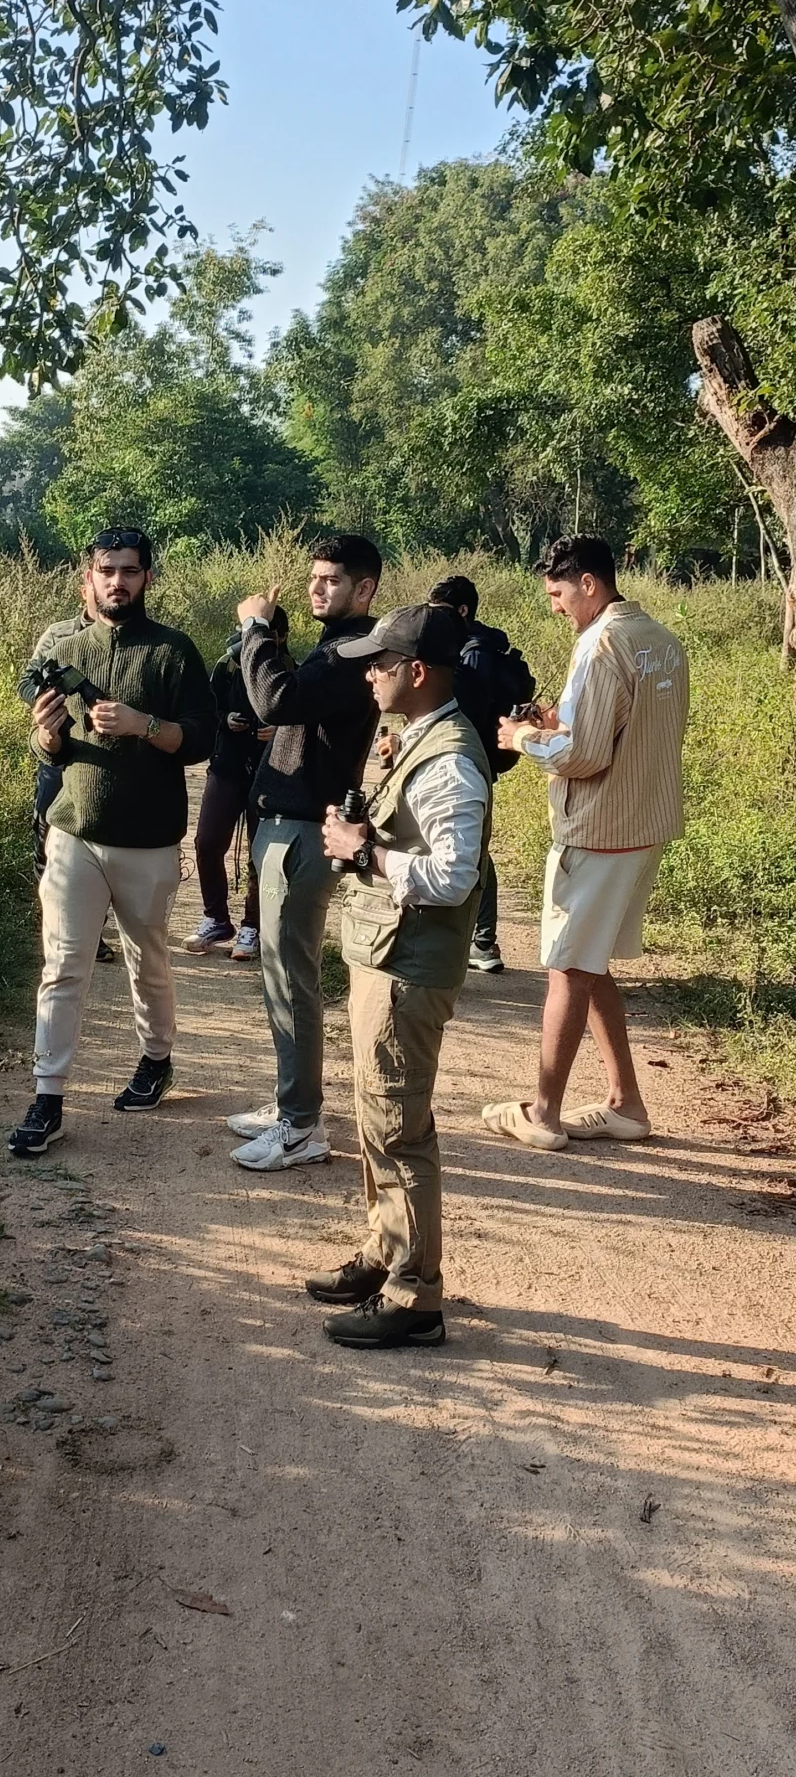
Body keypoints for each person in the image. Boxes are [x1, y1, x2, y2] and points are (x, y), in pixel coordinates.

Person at [304, 604, 491, 1349]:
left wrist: (364, 852)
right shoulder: (418, 737)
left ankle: (415, 1297)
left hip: (410, 965)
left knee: (399, 1127)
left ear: (416, 672)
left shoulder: (448, 760)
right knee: (377, 1115)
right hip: (388, 955)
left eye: (380, 663)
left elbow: (453, 875)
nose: (369, 675)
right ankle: (386, 1253)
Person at [8, 527, 215, 1156]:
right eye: (107, 571)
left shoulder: (173, 651)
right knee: (63, 965)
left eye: (129, 570)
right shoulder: (64, 649)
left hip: (148, 840)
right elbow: (47, 747)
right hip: (74, 832)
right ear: (88, 578)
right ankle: (48, 1098)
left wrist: (142, 724)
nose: (117, 582)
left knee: (146, 960)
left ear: (147, 577)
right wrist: (47, 735)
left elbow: (201, 740)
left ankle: (156, 1059)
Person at [482, 533, 689, 1153]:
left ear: (589, 584)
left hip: (599, 831)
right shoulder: (660, 638)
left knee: (568, 967)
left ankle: (543, 1113)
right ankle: (626, 1102)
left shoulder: (599, 646)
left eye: (557, 593)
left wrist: (522, 737)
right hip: (644, 825)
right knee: (591, 964)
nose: (555, 606)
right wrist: (558, 725)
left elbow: (585, 755)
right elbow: (620, 732)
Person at [226, 531, 382, 1171]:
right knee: (281, 976)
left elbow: (275, 699)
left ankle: (300, 1126)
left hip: (300, 831)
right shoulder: (337, 647)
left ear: (364, 588)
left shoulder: (350, 651)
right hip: (289, 824)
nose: (317, 587)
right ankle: (294, 1103)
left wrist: (257, 630)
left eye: (332, 579)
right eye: (314, 577)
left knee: (291, 980)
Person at [428, 573, 536, 974]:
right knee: (470, 845)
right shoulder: (479, 646)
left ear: (462, 611)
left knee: (472, 848)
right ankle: (479, 940)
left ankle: (483, 942)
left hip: (468, 761)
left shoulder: (474, 653)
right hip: (472, 761)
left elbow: (468, 713)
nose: (433, 619)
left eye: (440, 611)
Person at [188, 605, 291, 962]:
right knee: (207, 841)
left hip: (271, 772)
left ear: (281, 636)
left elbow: (307, 719)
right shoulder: (228, 664)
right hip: (227, 765)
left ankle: (253, 926)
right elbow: (205, 709)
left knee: (259, 853)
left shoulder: (291, 670)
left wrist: (280, 730)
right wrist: (225, 719)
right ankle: (216, 918)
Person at [26, 612, 115, 963]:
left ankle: (92, 932)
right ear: (86, 588)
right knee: (46, 838)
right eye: (96, 584)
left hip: (98, 756)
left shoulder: (125, 635)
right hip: (56, 750)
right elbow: (27, 682)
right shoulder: (58, 634)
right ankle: (51, 922)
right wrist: (46, 699)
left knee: (99, 843)